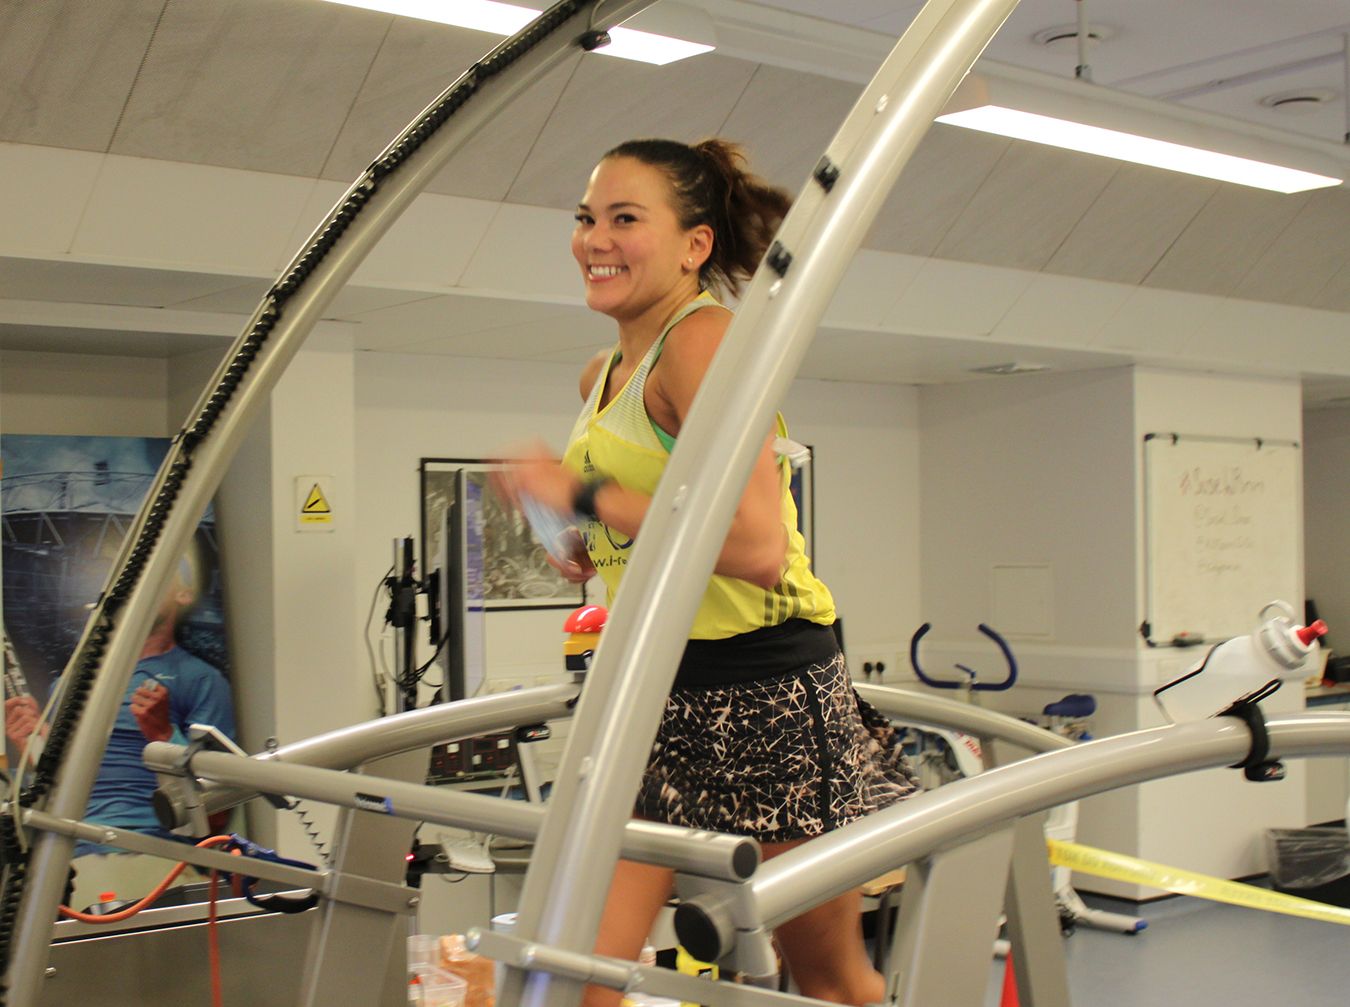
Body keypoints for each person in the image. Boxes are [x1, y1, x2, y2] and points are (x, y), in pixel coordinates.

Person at [499, 138, 921, 1006]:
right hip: (648, 691)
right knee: (572, 978)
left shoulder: (706, 341)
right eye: (585, 219)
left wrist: (581, 487)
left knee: (831, 978)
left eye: (624, 218)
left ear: (693, 245)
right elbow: (635, 524)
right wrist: (574, 534)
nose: (594, 238)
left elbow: (755, 549)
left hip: (762, 690)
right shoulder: (602, 371)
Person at [4, 568, 236, 909]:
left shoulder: (202, 680)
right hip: (69, 866)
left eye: (153, 574)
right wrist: (33, 753)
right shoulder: (69, 686)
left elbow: (216, 819)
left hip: (156, 861)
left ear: (183, 595)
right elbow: (43, 810)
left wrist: (162, 736)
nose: (135, 585)